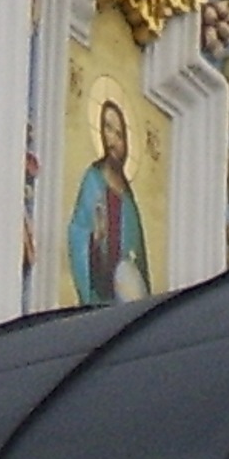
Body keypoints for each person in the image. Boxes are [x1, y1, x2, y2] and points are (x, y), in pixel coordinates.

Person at [68, 98, 153, 304]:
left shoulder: (130, 202)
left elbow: (139, 262)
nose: (113, 140)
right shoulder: (93, 180)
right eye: (108, 128)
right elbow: (77, 231)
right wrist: (95, 239)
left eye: (119, 134)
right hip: (99, 295)